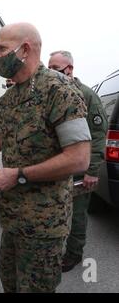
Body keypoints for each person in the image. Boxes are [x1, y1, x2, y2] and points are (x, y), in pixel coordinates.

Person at [0, 23, 92, 293]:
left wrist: (18, 174)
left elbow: (79, 159)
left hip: (44, 225)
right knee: (10, 283)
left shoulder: (59, 91)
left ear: (24, 49)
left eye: (2, 48)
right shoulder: (9, 98)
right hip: (13, 219)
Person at [48, 50, 108, 272]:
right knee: (55, 211)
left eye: (55, 68)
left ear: (69, 69)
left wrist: (92, 171)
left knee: (77, 214)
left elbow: (99, 134)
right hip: (56, 167)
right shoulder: (52, 93)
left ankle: (74, 253)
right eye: (48, 68)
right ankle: (53, 248)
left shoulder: (86, 95)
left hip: (79, 169)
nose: (50, 72)